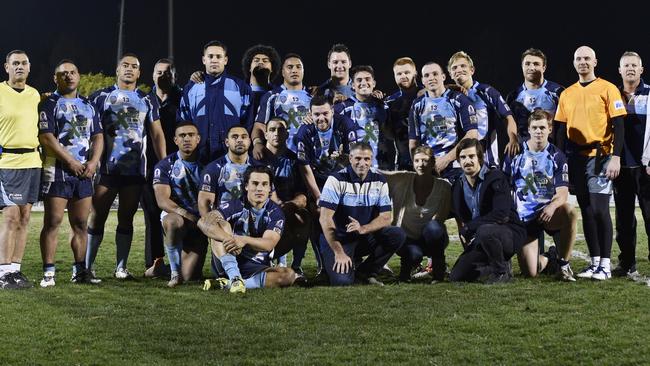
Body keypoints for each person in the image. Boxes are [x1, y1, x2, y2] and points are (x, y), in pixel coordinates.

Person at [85, 53, 167, 281]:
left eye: (135, 67)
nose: (130, 69)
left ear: (140, 73)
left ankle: (121, 268)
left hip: (135, 171)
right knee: (96, 216)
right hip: (107, 169)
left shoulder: (147, 99)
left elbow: (157, 133)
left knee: (126, 218)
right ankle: (88, 266)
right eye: (125, 65)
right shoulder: (100, 97)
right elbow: (90, 131)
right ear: (118, 70)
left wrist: (164, 163)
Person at [554, 45, 626, 280]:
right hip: (575, 158)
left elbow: (619, 125)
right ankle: (594, 263)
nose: (583, 62)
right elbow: (561, 130)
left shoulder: (608, 88)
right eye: (578, 58)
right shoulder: (567, 93)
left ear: (595, 62)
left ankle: (605, 264)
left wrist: (616, 157)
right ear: (574, 63)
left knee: (599, 209)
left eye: (587, 58)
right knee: (586, 210)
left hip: (601, 157)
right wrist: (562, 161)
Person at [37, 60, 104, 287]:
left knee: (81, 223)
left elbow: (98, 136)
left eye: (73, 72)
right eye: (63, 73)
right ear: (55, 78)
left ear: (79, 76)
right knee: (53, 221)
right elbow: (47, 137)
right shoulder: (49, 103)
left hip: (84, 172)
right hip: (57, 169)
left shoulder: (88, 104)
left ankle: (79, 271)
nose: (69, 76)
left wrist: (93, 162)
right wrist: (70, 161)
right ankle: (48, 273)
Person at [502, 110, 577, 281]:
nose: (538, 131)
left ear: (550, 129)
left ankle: (564, 265)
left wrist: (551, 206)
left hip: (548, 213)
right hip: (524, 217)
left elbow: (563, 193)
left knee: (570, 212)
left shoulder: (557, 156)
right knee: (531, 272)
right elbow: (504, 186)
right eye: (535, 127)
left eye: (542, 127)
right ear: (528, 129)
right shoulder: (515, 151)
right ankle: (550, 258)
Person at [318, 142, 405, 286]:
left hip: (362, 236)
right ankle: (333, 268)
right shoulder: (335, 179)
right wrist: (339, 252)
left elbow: (386, 217)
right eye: (358, 158)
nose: (362, 163)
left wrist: (363, 228)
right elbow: (325, 219)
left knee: (396, 234)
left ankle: (365, 272)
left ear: (372, 160)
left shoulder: (380, 180)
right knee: (343, 282)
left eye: (367, 159)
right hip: (339, 239)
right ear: (350, 158)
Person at [199, 165, 297, 292]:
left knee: (288, 275)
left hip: (257, 265)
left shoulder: (275, 212)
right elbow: (203, 222)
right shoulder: (235, 204)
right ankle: (234, 277)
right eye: (255, 184)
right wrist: (229, 239)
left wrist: (243, 240)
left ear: (270, 188)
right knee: (221, 225)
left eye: (264, 184)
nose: (259, 188)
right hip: (228, 258)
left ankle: (227, 284)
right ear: (246, 186)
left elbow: (268, 244)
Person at [295, 95, 361, 274]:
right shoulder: (304, 131)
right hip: (318, 181)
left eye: (325, 113)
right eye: (316, 114)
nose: (321, 118)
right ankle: (323, 264)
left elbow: (354, 160)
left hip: (343, 179)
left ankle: (356, 258)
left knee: (349, 214)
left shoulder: (346, 125)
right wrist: (318, 196)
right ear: (310, 114)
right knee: (317, 215)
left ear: (332, 111)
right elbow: (304, 168)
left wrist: (344, 160)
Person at [449, 138, 526, 284]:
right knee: (457, 276)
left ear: (479, 157)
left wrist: (470, 227)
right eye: (463, 157)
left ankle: (501, 272)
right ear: (458, 161)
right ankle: (496, 265)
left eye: (471, 156)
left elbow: (501, 215)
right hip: (482, 237)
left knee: (485, 231)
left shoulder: (496, 177)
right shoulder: (458, 186)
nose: (467, 161)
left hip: (509, 233)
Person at [0, 50, 42, 289]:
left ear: (29, 67)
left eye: (24, 63)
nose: (19, 67)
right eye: (15, 63)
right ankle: (3, 272)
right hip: (7, 162)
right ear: (6, 67)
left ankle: (15, 270)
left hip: (32, 161)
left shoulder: (34, 94)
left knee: (25, 218)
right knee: (11, 215)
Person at [380, 145, 451, 282]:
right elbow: (380, 174)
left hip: (430, 237)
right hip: (407, 239)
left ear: (432, 163)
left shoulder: (444, 186)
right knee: (414, 254)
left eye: (425, 161)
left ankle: (438, 273)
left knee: (434, 228)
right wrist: (351, 162)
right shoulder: (403, 179)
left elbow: (440, 218)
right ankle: (405, 274)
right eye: (417, 161)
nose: (421, 165)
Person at [252, 117, 311, 275]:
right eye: (272, 130)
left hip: (287, 209)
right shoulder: (255, 159)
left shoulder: (295, 160)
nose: (276, 133)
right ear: (265, 135)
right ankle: (264, 258)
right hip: (260, 211)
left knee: (303, 217)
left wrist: (291, 204)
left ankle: (296, 265)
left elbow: (302, 194)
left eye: (281, 130)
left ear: (287, 134)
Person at [178, 40, 252, 164]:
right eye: (210, 56)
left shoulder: (241, 87)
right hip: (198, 157)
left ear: (225, 60)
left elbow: (247, 123)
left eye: (218, 56)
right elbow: (183, 122)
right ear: (204, 60)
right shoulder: (190, 88)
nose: (214, 60)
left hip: (231, 156)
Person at [153, 121, 206, 287]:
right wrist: (189, 215)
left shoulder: (209, 164)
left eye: (191, 135)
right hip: (180, 218)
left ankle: (159, 270)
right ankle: (174, 274)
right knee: (172, 221)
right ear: (175, 140)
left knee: (191, 276)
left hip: (200, 221)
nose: (187, 138)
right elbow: (162, 201)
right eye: (182, 135)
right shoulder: (164, 165)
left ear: (198, 139)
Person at [143, 58, 182, 276]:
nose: (163, 76)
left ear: (175, 76)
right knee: (151, 214)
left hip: (177, 166)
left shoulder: (183, 98)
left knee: (178, 213)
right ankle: (155, 262)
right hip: (148, 166)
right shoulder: (144, 99)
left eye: (168, 72)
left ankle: (181, 260)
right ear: (152, 75)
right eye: (159, 72)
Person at [408, 61, 478, 183]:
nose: (431, 78)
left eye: (435, 74)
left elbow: (472, 135)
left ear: (443, 77)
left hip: (455, 167)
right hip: (428, 168)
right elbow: (413, 143)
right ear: (423, 81)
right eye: (427, 75)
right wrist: (420, 166)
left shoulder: (458, 99)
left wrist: (445, 160)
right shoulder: (417, 105)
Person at [613, 51, 650, 277]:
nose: (630, 69)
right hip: (622, 167)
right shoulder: (612, 94)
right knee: (624, 219)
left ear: (641, 70)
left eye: (634, 66)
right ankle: (627, 262)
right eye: (626, 65)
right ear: (620, 70)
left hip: (646, 168)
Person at [447, 51, 519, 166]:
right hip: (457, 164)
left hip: (486, 161)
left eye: (463, 66)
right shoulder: (447, 96)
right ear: (450, 74)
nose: (459, 69)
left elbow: (508, 117)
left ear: (472, 70)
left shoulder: (486, 91)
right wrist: (447, 87)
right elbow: (422, 93)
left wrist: (513, 139)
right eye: (454, 68)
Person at [252, 53, 311, 157]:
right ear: (283, 72)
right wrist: (257, 143)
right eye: (290, 67)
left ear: (303, 71)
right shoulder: (272, 96)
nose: (294, 70)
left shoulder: (313, 97)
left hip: (307, 154)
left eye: (298, 67)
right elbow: (260, 125)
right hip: (279, 155)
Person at [335, 65, 390, 169]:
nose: (363, 83)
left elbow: (391, 133)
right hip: (353, 169)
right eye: (359, 80)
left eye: (367, 79)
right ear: (352, 85)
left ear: (374, 83)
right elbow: (322, 117)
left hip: (381, 168)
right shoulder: (342, 108)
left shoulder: (384, 107)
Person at [506, 48, 564, 142]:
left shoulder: (557, 92)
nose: (531, 68)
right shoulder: (513, 97)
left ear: (544, 67)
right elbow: (509, 126)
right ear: (522, 66)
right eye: (527, 64)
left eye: (536, 64)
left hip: (551, 151)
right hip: (523, 152)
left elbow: (565, 126)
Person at [385, 57, 421, 170]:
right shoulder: (390, 102)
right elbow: (389, 134)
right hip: (403, 162)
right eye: (399, 73)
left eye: (407, 72)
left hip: (429, 160)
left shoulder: (428, 94)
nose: (403, 76)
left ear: (415, 73)